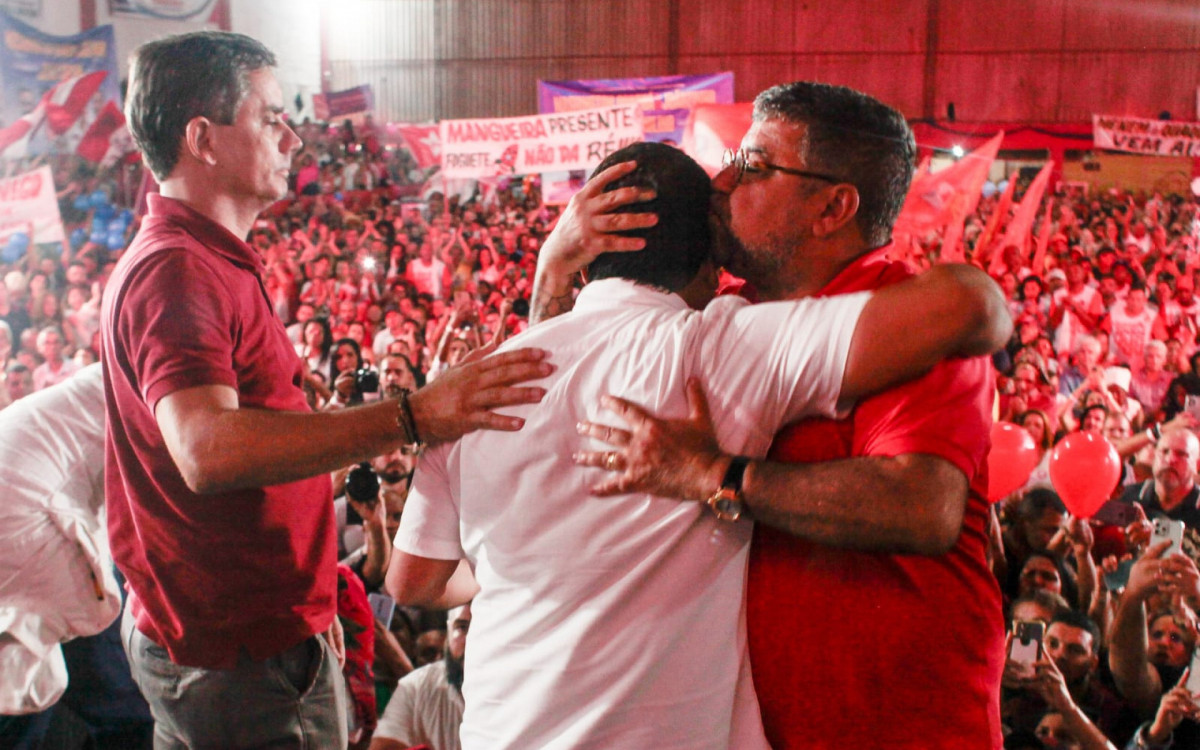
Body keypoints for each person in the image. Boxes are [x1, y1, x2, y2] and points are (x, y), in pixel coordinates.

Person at [387, 141, 1010, 748]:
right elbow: (968, 307)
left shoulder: (467, 390)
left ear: (584, 258)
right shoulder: (718, 349)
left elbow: (412, 582)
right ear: (712, 263)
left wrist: (524, 565)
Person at [103, 30, 550, 747]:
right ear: (203, 137)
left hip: (240, 637)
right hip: (244, 654)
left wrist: (354, 433)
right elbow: (208, 451)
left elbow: (238, 451)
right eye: (271, 116)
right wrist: (412, 413)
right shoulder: (178, 270)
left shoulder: (209, 260)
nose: (294, 139)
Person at [560, 82, 1005, 747]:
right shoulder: (718, 311)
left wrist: (715, 476)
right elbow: (571, 397)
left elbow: (922, 504)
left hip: (904, 726)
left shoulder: (901, 318)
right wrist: (553, 269)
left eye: (756, 166)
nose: (722, 180)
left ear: (832, 207)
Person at [370, 603, 470, 750]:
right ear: (448, 633)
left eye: (484, 628)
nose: (473, 639)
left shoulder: (515, 689)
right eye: (462, 627)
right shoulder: (416, 685)